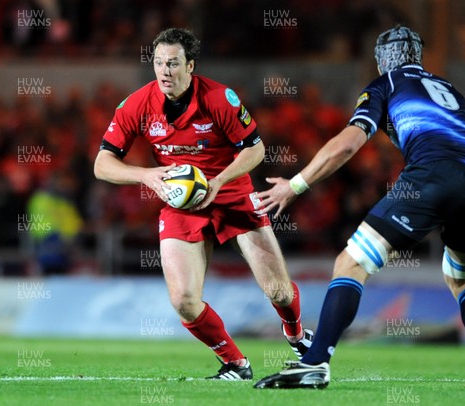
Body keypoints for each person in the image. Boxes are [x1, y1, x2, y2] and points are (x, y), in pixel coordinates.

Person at [254, 25, 465, 391]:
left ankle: (315, 362)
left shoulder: (385, 85)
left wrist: (295, 186)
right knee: (464, 279)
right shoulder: (451, 92)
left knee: (351, 262)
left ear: (384, 58)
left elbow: (347, 145)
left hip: (430, 177)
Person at [93, 28, 313, 380]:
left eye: (173, 63)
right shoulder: (137, 104)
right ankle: (235, 363)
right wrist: (147, 176)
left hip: (232, 192)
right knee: (183, 300)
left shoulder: (220, 98)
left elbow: (255, 149)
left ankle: (297, 336)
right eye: (159, 63)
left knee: (278, 290)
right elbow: (102, 164)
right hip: (182, 204)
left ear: (190, 65)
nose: (165, 71)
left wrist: (219, 181)